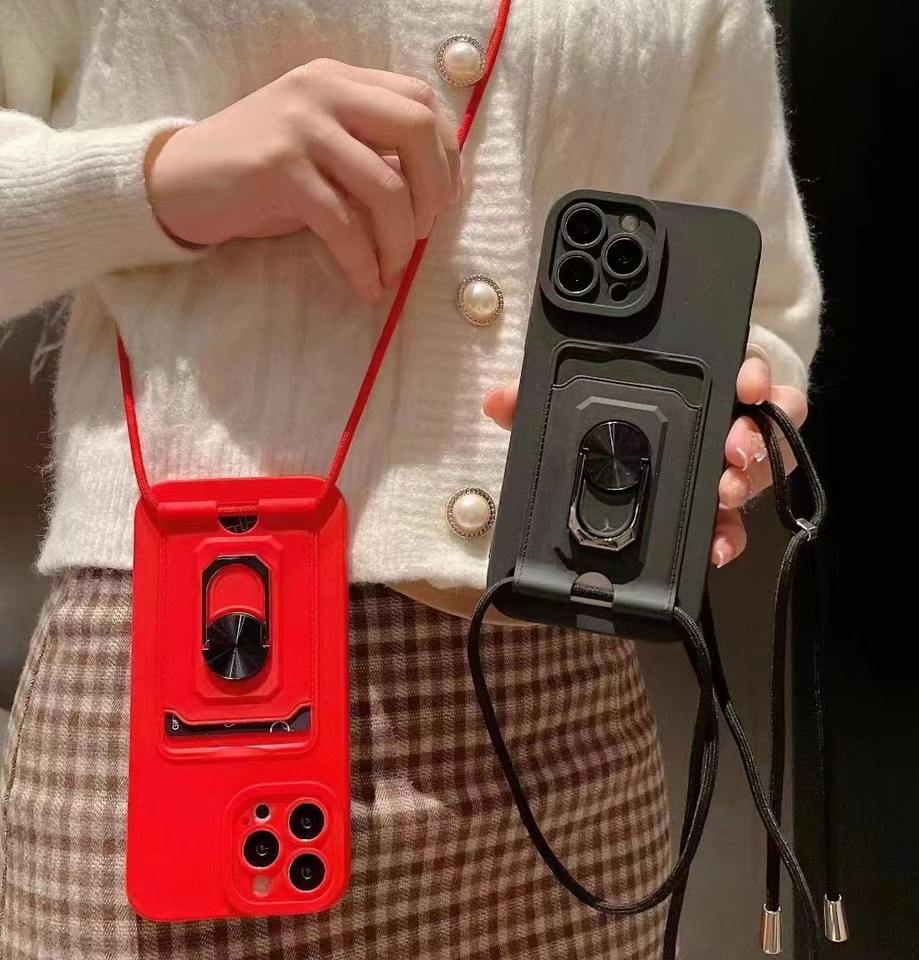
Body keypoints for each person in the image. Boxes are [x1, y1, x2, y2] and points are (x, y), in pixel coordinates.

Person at [0, 0, 821, 957]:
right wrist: (164, 179)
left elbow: (759, 302)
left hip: (568, 730)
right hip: (180, 685)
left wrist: (726, 427)